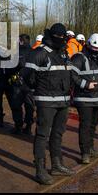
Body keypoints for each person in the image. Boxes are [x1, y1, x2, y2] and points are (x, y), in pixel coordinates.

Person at [22, 23, 75, 185]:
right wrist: (32, 93)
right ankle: (40, 170)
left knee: (58, 134)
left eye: (63, 36)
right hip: (45, 101)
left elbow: (69, 75)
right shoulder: (39, 53)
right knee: (42, 135)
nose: (61, 39)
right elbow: (26, 76)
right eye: (58, 36)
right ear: (51, 36)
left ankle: (57, 165)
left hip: (63, 101)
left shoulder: (64, 53)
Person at [70, 33, 98, 164]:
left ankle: (91, 149)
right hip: (84, 98)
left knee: (93, 125)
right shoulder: (79, 57)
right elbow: (72, 75)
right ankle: (85, 153)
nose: (97, 51)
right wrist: (86, 84)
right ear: (88, 44)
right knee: (85, 126)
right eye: (95, 48)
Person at [8, 34, 35, 135]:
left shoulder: (16, 53)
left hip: (18, 83)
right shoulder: (34, 52)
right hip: (30, 84)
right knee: (29, 106)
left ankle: (18, 126)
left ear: (21, 41)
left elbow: (11, 67)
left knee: (16, 105)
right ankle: (28, 127)